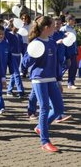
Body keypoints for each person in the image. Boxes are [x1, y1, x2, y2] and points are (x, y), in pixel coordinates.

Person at [22, 16, 64, 152]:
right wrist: (32, 55)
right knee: (45, 108)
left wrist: (59, 80)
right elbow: (24, 64)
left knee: (58, 109)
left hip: (51, 79)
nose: (55, 28)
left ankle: (41, 127)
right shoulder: (35, 43)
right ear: (46, 28)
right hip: (39, 79)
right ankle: (45, 141)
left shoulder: (52, 43)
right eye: (53, 26)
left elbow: (56, 63)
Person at [5, 20, 25, 98]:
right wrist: (8, 24)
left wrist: (24, 54)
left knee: (14, 74)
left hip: (18, 55)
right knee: (17, 73)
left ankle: (9, 90)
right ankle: (21, 91)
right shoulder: (9, 35)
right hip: (12, 55)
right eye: (15, 26)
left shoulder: (19, 35)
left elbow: (22, 46)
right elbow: (5, 30)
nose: (16, 28)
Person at [60, 14, 78, 89]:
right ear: (69, 20)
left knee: (74, 67)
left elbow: (74, 40)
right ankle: (56, 79)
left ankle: (71, 83)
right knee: (65, 66)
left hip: (73, 50)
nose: (74, 21)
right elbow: (63, 41)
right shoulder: (63, 29)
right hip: (66, 51)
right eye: (73, 20)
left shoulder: (73, 29)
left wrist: (76, 49)